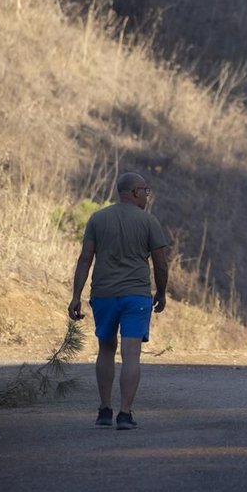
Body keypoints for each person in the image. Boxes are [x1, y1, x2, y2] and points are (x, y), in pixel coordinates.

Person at [69, 172, 169, 430]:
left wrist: (76, 296)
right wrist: (161, 292)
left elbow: (85, 258)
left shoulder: (97, 218)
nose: (147, 195)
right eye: (145, 190)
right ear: (135, 192)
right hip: (136, 296)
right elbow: (160, 264)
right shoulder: (149, 221)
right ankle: (124, 413)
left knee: (105, 349)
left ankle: (104, 410)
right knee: (131, 353)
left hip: (103, 295)